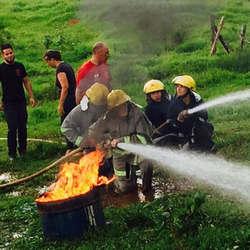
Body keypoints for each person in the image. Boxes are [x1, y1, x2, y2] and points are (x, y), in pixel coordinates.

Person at [82, 89, 153, 194]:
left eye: (121, 106)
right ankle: (123, 183)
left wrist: (121, 140)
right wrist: (106, 140)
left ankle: (147, 191)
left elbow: (144, 139)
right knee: (125, 189)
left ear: (125, 103)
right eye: (116, 108)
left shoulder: (138, 114)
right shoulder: (108, 116)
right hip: (120, 155)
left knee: (147, 165)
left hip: (139, 152)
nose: (119, 110)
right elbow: (93, 131)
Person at [0, 43, 36, 161]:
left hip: (21, 101)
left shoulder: (19, 66)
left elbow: (26, 81)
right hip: (8, 103)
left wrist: (31, 96)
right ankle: (12, 154)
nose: (9, 55)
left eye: (11, 53)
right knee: (12, 127)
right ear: (2, 55)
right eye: (7, 54)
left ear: (13, 52)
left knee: (22, 127)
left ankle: (23, 151)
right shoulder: (1, 69)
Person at [167, 75, 215, 152]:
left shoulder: (196, 99)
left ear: (189, 89)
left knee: (205, 127)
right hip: (182, 132)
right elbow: (171, 122)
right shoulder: (174, 103)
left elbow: (205, 115)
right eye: (177, 86)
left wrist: (192, 113)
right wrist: (179, 119)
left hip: (196, 127)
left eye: (182, 87)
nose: (178, 89)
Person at [43, 50, 76, 150]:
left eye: (48, 61)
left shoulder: (60, 69)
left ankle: (71, 147)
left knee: (65, 124)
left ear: (53, 59)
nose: (47, 64)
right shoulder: (67, 65)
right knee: (73, 122)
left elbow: (64, 87)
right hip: (74, 98)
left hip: (68, 100)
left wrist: (60, 104)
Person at [61, 82, 109, 148]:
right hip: (86, 147)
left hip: (106, 145)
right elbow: (65, 128)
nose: (100, 108)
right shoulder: (79, 110)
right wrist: (81, 141)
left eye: (102, 105)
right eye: (98, 106)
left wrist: (108, 139)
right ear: (90, 100)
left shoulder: (110, 108)